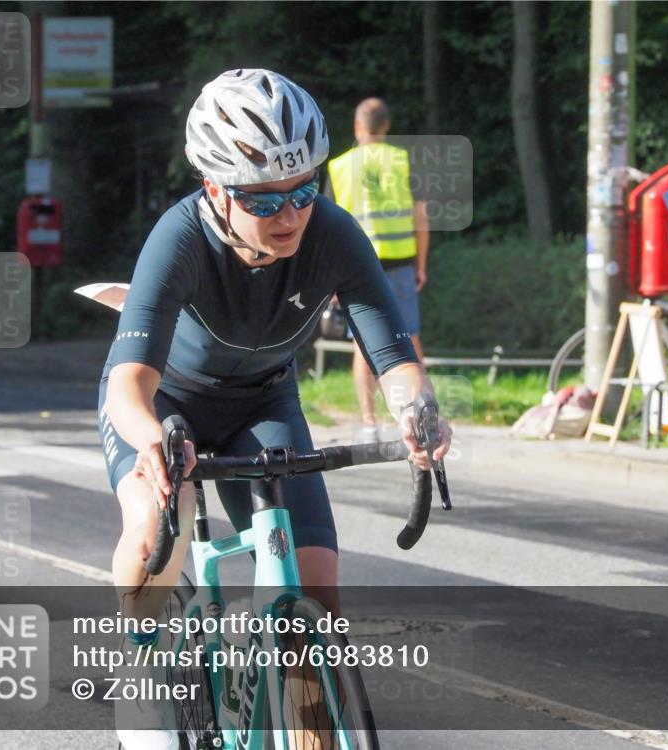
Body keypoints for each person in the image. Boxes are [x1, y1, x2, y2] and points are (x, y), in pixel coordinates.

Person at [97, 69, 451, 749]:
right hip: (165, 407)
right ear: (214, 191)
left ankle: (307, 722)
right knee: (154, 531)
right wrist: (150, 442)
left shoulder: (334, 234)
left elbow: (393, 351)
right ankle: (144, 661)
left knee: (314, 588)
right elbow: (127, 385)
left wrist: (417, 411)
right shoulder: (178, 239)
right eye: (262, 201)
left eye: (302, 192)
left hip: (262, 401)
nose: (289, 216)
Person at [326, 98, 429, 443]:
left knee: (362, 345)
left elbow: (327, 227)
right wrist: (421, 265)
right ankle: (420, 417)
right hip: (401, 262)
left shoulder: (340, 166)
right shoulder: (403, 160)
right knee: (410, 342)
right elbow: (420, 216)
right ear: (385, 127)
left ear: (358, 126)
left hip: (357, 268)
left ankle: (369, 423)